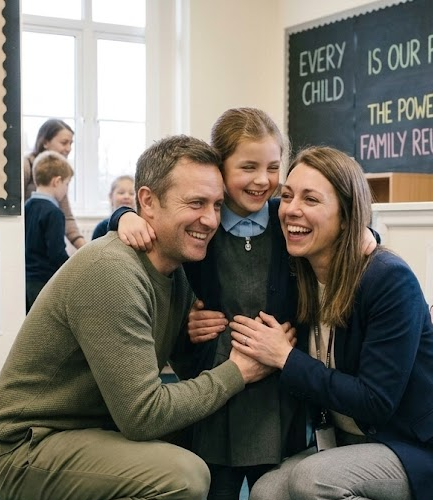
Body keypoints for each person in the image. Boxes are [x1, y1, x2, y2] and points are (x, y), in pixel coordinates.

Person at [0, 135, 280, 500]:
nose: (211, 219)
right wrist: (237, 371)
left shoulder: (176, 272)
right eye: (196, 203)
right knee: (186, 476)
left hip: (94, 430)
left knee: (202, 438)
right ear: (147, 202)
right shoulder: (111, 271)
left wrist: (194, 335)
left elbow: (182, 371)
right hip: (27, 446)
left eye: (217, 205)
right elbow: (143, 415)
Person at [111, 109, 378, 500]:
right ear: (220, 168)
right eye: (248, 167)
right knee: (212, 487)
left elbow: (341, 220)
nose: (262, 180)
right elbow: (125, 228)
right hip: (215, 393)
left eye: (273, 167)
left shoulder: (286, 220)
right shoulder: (199, 226)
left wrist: (368, 232)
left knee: (273, 488)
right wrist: (122, 216)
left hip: (278, 398)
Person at [229, 146, 433, 500]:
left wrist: (286, 357)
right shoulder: (299, 271)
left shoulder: (388, 280)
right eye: (288, 195)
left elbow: (375, 401)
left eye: (311, 199)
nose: (292, 209)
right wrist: (126, 216)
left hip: (417, 448)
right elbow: (233, 217)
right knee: (266, 492)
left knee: (312, 480)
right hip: (349, 442)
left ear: (345, 214)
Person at [23, 119, 86, 249]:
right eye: (64, 143)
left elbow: (67, 216)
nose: (68, 149)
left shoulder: (60, 174)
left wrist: (86, 249)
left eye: (70, 143)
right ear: (45, 142)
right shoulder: (26, 165)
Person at [23, 151, 73, 312]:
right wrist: (74, 267)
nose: (66, 190)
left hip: (26, 279)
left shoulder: (27, 207)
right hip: (44, 282)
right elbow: (56, 253)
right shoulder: (54, 213)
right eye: (66, 184)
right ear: (57, 182)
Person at [90, 175, 136, 240]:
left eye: (131, 193)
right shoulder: (102, 227)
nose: (126, 196)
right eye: (121, 193)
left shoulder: (140, 225)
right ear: (111, 196)